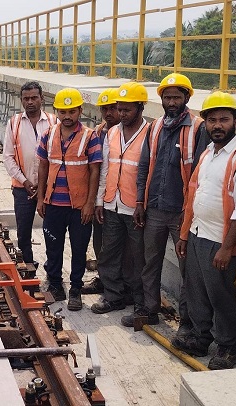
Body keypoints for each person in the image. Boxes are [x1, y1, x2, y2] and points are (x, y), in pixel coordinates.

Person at [124, 73, 209, 328]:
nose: (171, 102)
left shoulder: (198, 128)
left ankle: (187, 322)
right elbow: (143, 167)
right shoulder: (155, 126)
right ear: (161, 99)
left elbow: (202, 173)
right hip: (155, 210)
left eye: (176, 97)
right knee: (150, 263)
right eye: (167, 97)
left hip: (183, 212)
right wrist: (140, 203)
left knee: (187, 270)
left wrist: (190, 211)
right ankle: (150, 310)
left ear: (186, 98)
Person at [172, 92, 236, 370]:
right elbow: (193, 196)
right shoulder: (207, 154)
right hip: (197, 234)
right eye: (212, 120)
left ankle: (228, 348)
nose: (217, 125)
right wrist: (183, 234)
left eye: (224, 119)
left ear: (235, 122)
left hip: (220, 241)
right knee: (196, 291)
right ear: (205, 123)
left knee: (221, 295)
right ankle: (201, 337)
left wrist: (227, 248)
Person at [36, 88, 102, 311]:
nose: (67, 116)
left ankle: (75, 288)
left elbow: (95, 171)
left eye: (72, 111)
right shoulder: (48, 135)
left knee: (78, 248)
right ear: (56, 111)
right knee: (53, 246)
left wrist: (90, 203)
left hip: (79, 206)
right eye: (63, 111)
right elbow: (43, 166)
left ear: (80, 111)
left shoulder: (90, 136)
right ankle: (55, 284)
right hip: (54, 203)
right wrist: (41, 198)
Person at [91, 83, 150, 314]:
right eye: (120, 109)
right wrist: (99, 201)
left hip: (135, 207)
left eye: (127, 110)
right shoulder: (111, 133)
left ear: (140, 107)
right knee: (109, 253)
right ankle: (113, 296)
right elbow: (104, 169)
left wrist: (142, 203)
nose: (122, 114)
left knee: (137, 258)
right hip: (111, 203)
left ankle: (138, 301)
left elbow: (149, 172)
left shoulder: (150, 134)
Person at [2, 81, 56, 268]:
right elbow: (8, 157)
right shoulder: (14, 123)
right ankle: (27, 264)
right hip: (22, 189)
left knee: (51, 230)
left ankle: (52, 264)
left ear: (42, 98)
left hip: (49, 189)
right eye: (26, 99)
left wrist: (44, 186)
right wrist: (25, 181)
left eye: (34, 98)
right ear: (21, 101)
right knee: (23, 231)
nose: (30, 102)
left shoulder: (53, 122)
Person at [82, 88, 120, 295]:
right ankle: (104, 280)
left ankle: (119, 284)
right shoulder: (97, 132)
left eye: (112, 108)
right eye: (105, 109)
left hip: (121, 199)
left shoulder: (127, 133)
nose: (109, 113)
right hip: (100, 197)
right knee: (100, 242)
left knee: (119, 247)